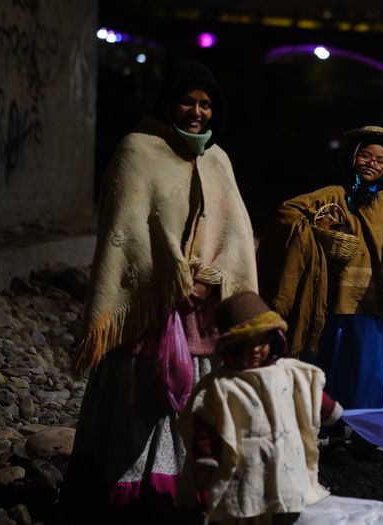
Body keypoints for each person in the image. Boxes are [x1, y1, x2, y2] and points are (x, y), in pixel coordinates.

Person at [61, 58, 257, 522]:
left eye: (206, 104)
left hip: (202, 310)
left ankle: (181, 498)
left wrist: (212, 280)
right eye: (187, 101)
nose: (196, 111)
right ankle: (127, 498)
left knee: (195, 404)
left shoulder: (217, 159)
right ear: (169, 102)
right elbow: (123, 234)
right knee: (138, 403)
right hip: (148, 308)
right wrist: (168, 281)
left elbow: (236, 237)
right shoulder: (138, 149)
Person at [257, 126, 383, 459]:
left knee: (373, 373)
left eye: (380, 160)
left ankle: (369, 436)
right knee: (334, 368)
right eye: (365, 155)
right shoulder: (334, 194)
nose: (371, 163)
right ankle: (335, 435)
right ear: (353, 158)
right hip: (336, 299)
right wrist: (314, 231)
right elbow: (288, 211)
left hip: (375, 300)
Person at [178, 291, 343, 524]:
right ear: (230, 347)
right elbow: (206, 422)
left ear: (273, 339)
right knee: (247, 509)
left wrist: (328, 409)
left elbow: (309, 393)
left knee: (285, 509)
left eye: (261, 342)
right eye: (245, 345)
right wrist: (206, 457)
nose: (255, 350)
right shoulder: (222, 385)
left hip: (286, 463)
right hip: (246, 467)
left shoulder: (290, 372)